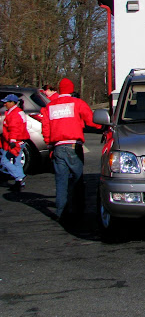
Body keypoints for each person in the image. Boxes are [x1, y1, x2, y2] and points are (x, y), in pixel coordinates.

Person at [41, 78, 101, 220]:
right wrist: (103, 126)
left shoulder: (50, 107)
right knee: (77, 179)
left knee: (61, 181)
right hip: (73, 145)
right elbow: (91, 120)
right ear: (71, 89)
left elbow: (45, 127)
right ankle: (78, 211)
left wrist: (49, 144)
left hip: (57, 147)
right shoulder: (77, 103)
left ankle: (61, 212)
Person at [1, 94, 30, 191]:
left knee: (4, 161)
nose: (4, 104)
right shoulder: (15, 112)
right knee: (17, 162)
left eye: (6, 102)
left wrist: (12, 140)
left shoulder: (14, 114)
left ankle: (20, 176)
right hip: (20, 141)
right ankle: (20, 183)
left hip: (15, 142)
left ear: (12, 103)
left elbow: (14, 128)